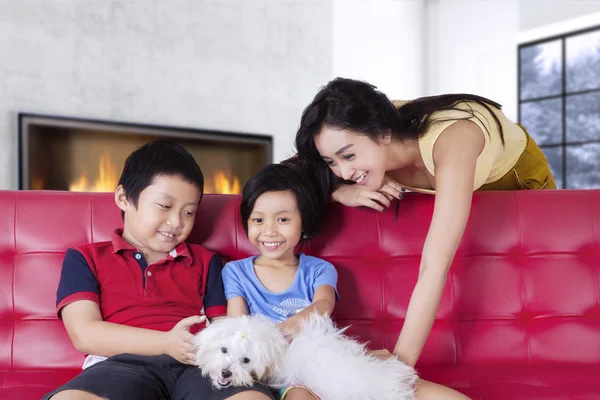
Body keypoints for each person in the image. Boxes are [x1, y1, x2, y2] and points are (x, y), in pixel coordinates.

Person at [293, 77, 556, 369]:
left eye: (349, 156)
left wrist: (399, 363)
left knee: (538, 280)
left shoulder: (455, 141)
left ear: (383, 134)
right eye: (331, 162)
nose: (342, 170)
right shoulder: (357, 132)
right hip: (451, 176)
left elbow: (435, 265)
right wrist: (339, 190)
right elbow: (284, 175)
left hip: (515, 176)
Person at [44, 141, 274, 400]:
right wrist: (165, 343)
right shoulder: (86, 257)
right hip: (121, 365)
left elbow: (225, 328)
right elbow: (84, 334)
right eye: (164, 206)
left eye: (189, 212)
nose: (176, 222)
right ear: (123, 198)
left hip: (198, 366)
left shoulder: (205, 260)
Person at [223, 164, 469, 400]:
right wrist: (269, 344)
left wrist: (357, 355)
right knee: (300, 395)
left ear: (305, 225)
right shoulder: (236, 272)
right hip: (278, 370)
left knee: (404, 384)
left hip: (325, 358)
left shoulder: (318, 269)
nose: (269, 231)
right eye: (258, 220)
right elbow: (238, 330)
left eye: (283, 220)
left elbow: (322, 305)